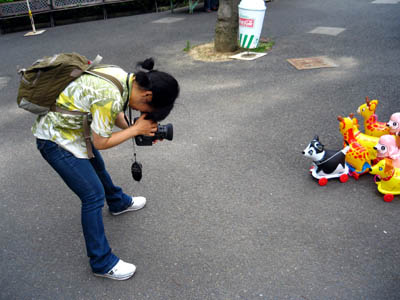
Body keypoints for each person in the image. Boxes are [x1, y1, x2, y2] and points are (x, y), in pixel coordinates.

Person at [33, 58, 180, 280]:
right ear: (147, 96)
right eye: (148, 112)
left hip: (72, 134)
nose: (144, 115)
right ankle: (101, 262)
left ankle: (118, 202)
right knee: (92, 196)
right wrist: (134, 130)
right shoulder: (110, 95)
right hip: (55, 141)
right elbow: (101, 141)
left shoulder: (122, 76)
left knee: (98, 168)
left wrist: (135, 129)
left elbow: (115, 112)